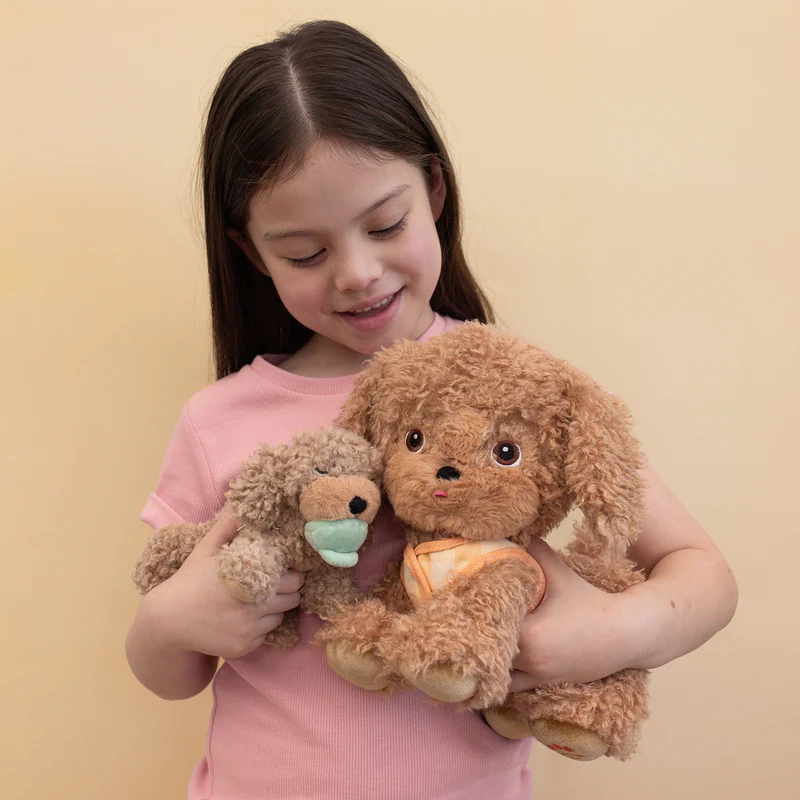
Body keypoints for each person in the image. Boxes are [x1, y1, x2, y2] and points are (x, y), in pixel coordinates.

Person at [125, 19, 738, 800]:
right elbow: (171, 675)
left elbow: (707, 577)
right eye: (305, 253)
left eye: (386, 225)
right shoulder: (217, 420)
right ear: (252, 252)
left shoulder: (518, 388)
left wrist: (609, 633)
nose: (357, 272)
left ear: (435, 192)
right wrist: (168, 623)